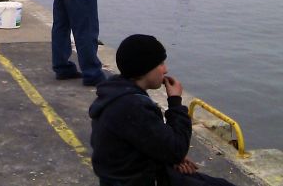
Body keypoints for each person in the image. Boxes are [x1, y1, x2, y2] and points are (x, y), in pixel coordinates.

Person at [90, 34, 236, 186]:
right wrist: (175, 102)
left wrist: (168, 158)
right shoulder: (133, 107)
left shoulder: (117, 94)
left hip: (127, 175)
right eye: (160, 63)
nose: (165, 70)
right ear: (144, 68)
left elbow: (145, 141)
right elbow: (177, 149)